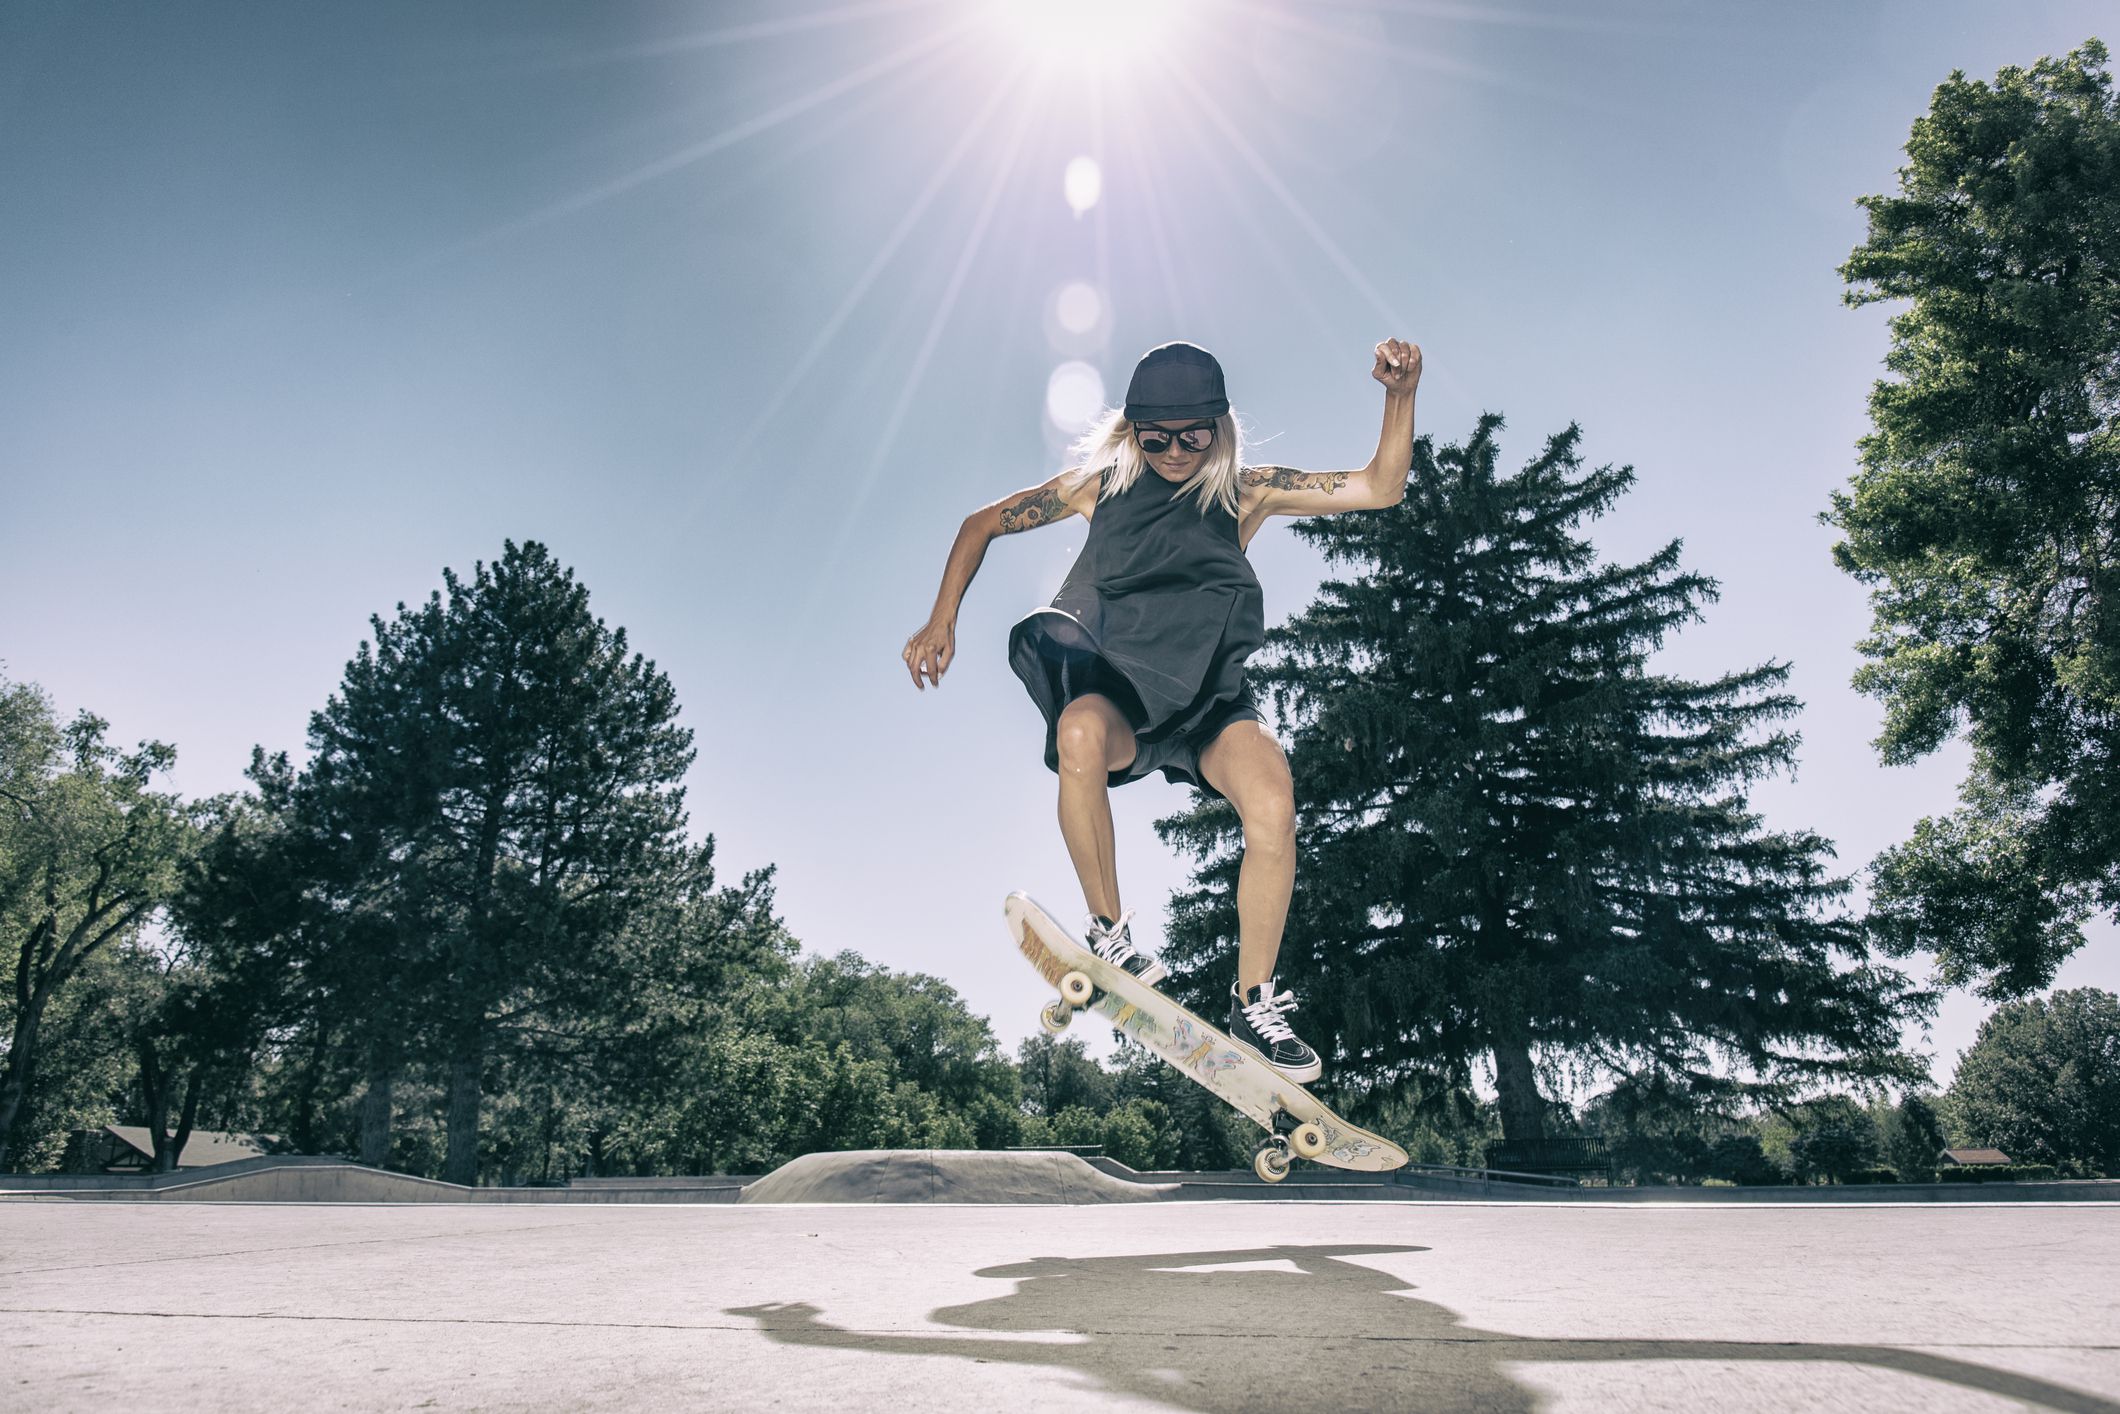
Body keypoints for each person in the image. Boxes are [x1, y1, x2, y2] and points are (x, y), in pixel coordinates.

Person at [903, 338, 1420, 1081]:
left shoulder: (1248, 490)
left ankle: (1254, 1003)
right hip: (1121, 689)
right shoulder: (1097, 485)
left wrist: (1399, 397)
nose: (1175, 452)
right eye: (1157, 439)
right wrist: (943, 616)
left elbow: (1380, 487)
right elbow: (981, 522)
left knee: (1273, 805)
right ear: (1132, 430)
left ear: (1219, 426)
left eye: (1193, 436)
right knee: (1077, 731)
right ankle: (1110, 934)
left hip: (1209, 701)